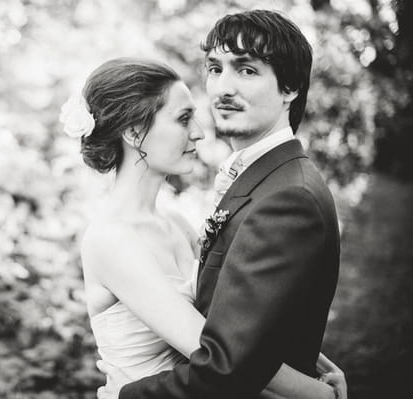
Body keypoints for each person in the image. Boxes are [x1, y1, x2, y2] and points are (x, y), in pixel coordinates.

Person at [92, 10, 347, 399]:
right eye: (215, 68)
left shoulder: (285, 196)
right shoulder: (262, 183)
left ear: (289, 87)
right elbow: (243, 324)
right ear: (132, 132)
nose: (223, 88)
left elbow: (226, 360)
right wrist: (316, 383)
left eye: (246, 70)